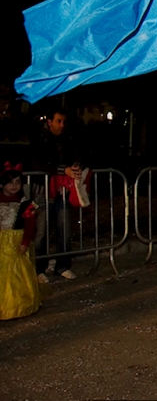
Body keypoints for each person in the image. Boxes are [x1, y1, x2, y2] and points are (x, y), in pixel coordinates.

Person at [30, 108, 90, 281]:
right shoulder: (39, 138)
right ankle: (38, 267)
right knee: (41, 230)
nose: (62, 125)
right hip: (42, 189)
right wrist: (63, 170)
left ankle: (62, 265)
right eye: (58, 121)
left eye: (64, 121)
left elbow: (79, 154)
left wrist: (76, 165)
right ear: (49, 122)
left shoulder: (67, 138)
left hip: (62, 189)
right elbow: (37, 164)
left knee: (64, 227)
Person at [0, 164, 41, 320]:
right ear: (2, 184)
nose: (14, 186)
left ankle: (16, 304)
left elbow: (30, 224)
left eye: (17, 182)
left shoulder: (26, 204)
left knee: (15, 273)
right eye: (10, 182)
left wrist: (25, 242)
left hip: (16, 241)